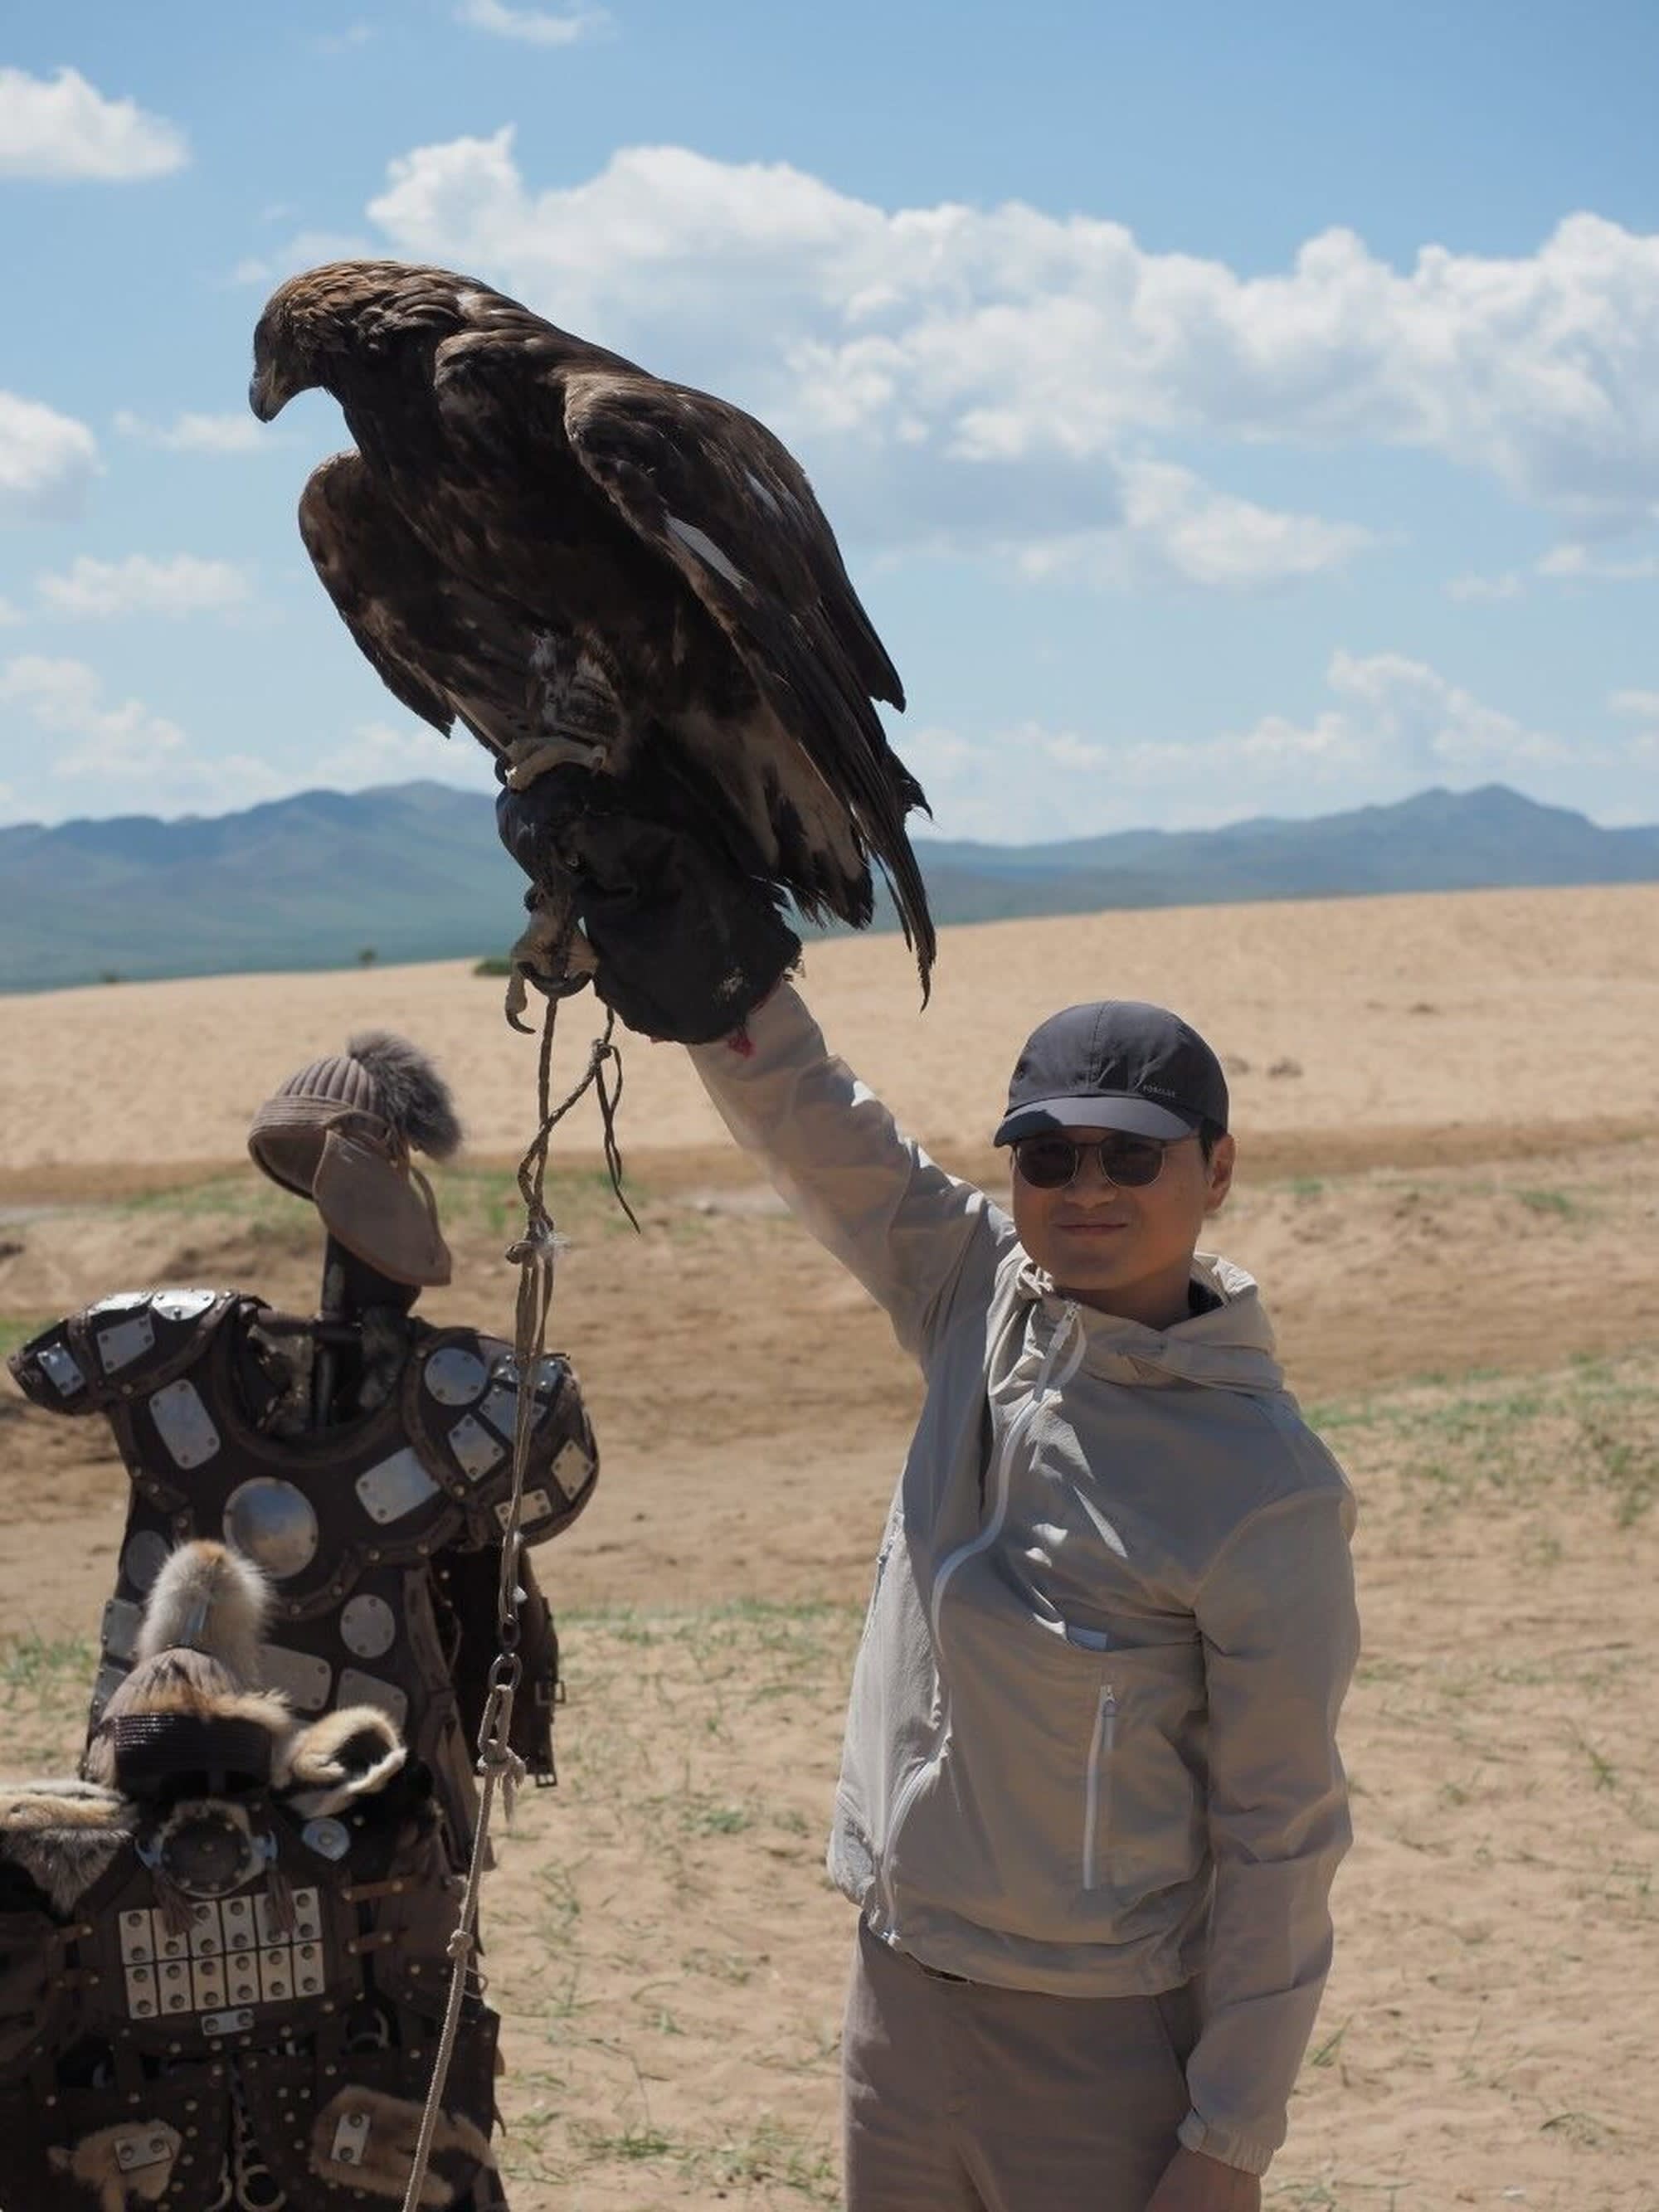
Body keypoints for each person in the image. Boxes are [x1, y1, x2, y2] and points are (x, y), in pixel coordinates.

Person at [498, 790, 1361, 2212]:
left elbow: (1286, 1833)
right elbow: (816, 1125)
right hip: (896, 2005)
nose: (1086, 1187)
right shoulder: (975, 1293)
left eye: (1132, 1154)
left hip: (1098, 2045)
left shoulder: (1265, 1491)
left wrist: (1228, 2142)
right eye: (1049, 1154)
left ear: (1216, 1171)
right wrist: (722, 989)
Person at [7, 1030, 601, 2211]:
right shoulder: (464, 1401)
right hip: (306, 1810)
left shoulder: (156, 1352)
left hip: (329, 1820)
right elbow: (548, 1485)